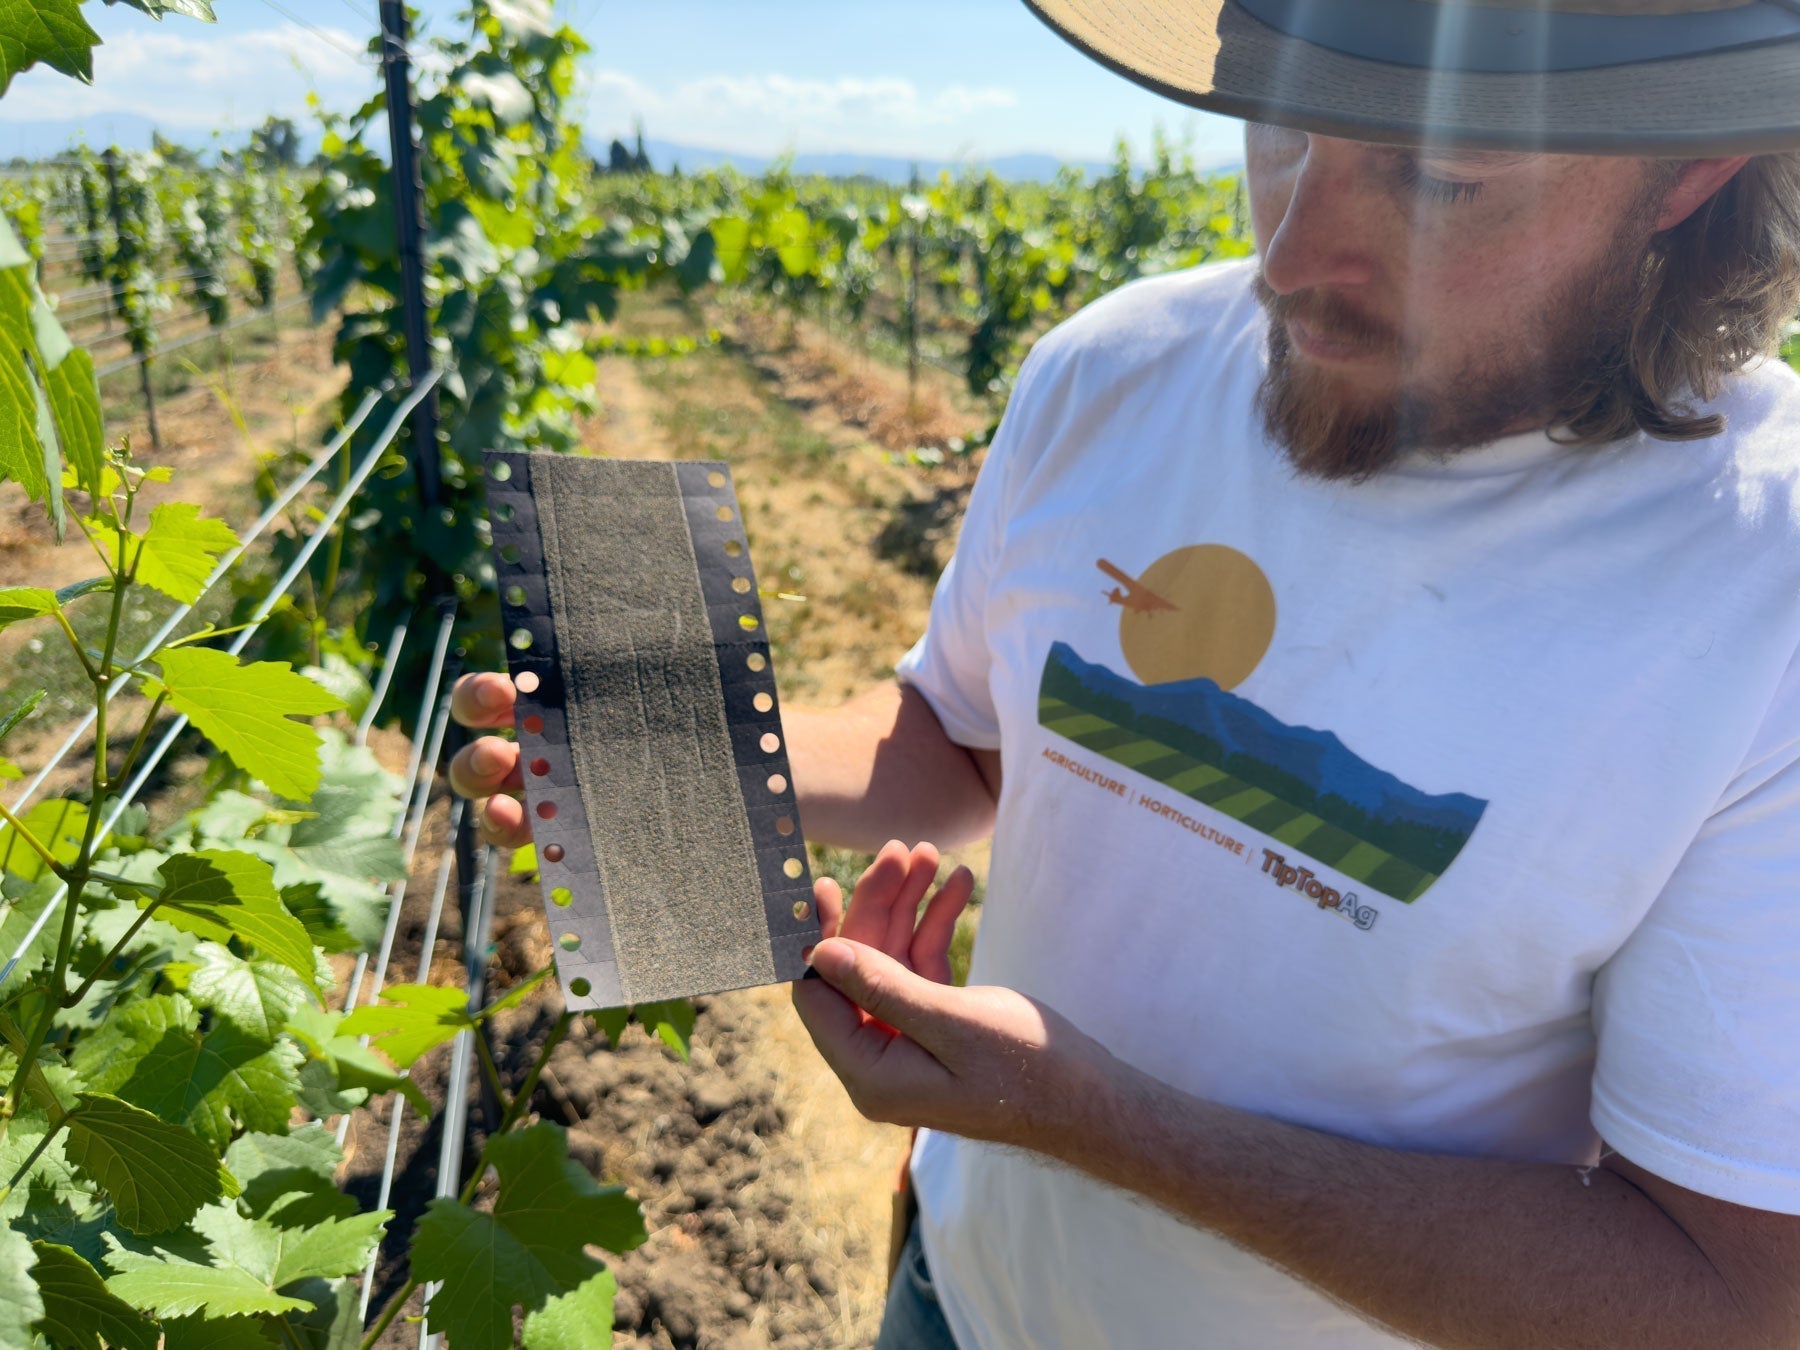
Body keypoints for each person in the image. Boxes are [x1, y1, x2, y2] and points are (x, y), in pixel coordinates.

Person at [450, 2, 1800, 1344]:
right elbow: (969, 747)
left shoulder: (1764, 583)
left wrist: (1087, 1121)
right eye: (1276, 126)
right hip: (956, 1297)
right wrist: (667, 757)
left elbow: (1728, 1295)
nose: (1287, 254)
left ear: (1691, 168)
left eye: (1439, 177)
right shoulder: (1115, 368)